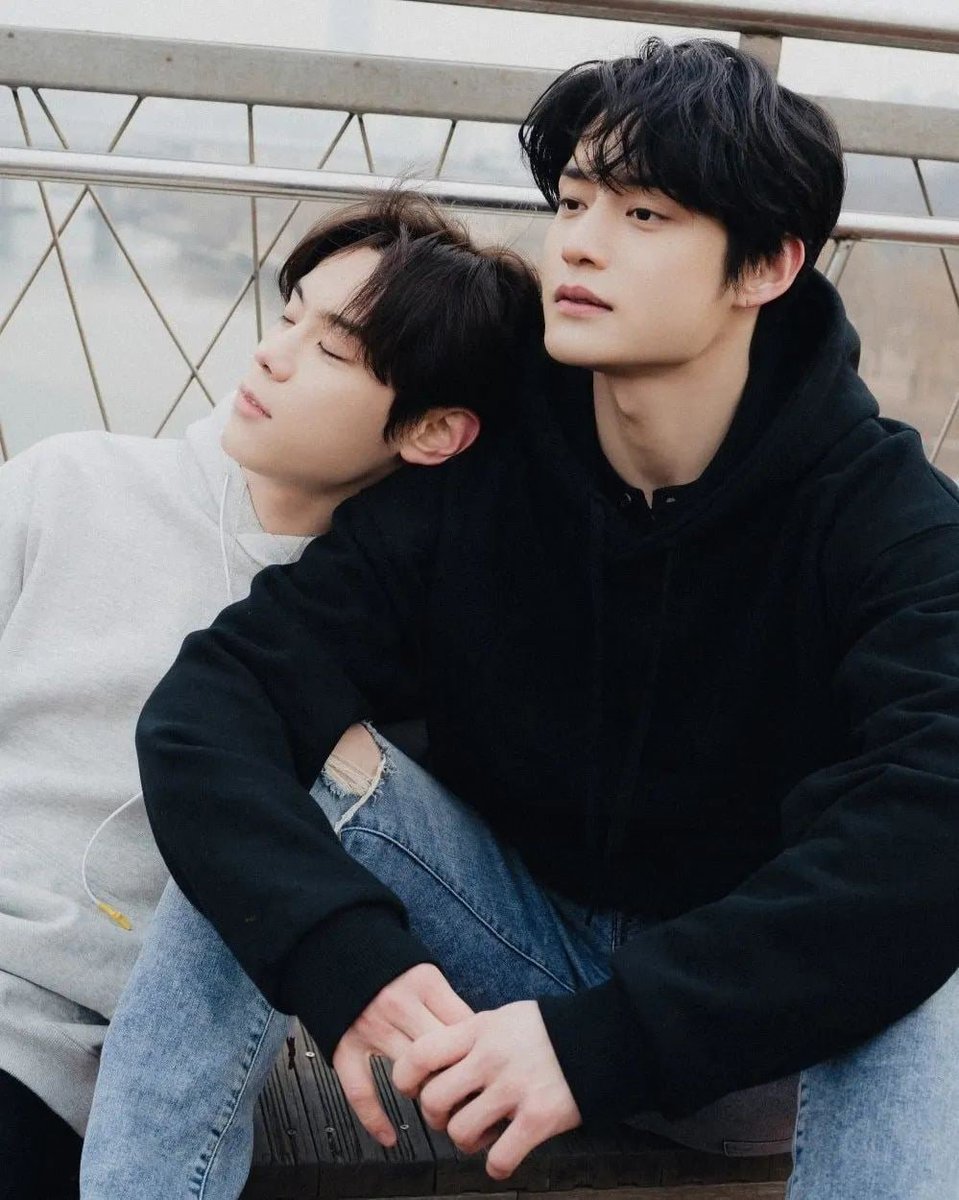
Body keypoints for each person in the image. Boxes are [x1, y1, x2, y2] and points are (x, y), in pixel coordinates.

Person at [82, 38, 959, 1200]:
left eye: (643, 215)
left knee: (913, 921)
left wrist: (603, 1042)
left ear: (765, 265)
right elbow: (215, 701)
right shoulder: (485, 463)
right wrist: (341, 956)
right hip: (505, 963)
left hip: (758, 1042)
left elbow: (928, 819)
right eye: (573, 202)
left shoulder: (882, 516)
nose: (579, 243)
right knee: (282, 784)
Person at [0, 190, 541, 1200]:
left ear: (433, 431)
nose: (271, 355)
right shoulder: (69, 482)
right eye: (288, 316)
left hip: (54, 1055)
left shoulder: (388, 647)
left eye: (331, 350)